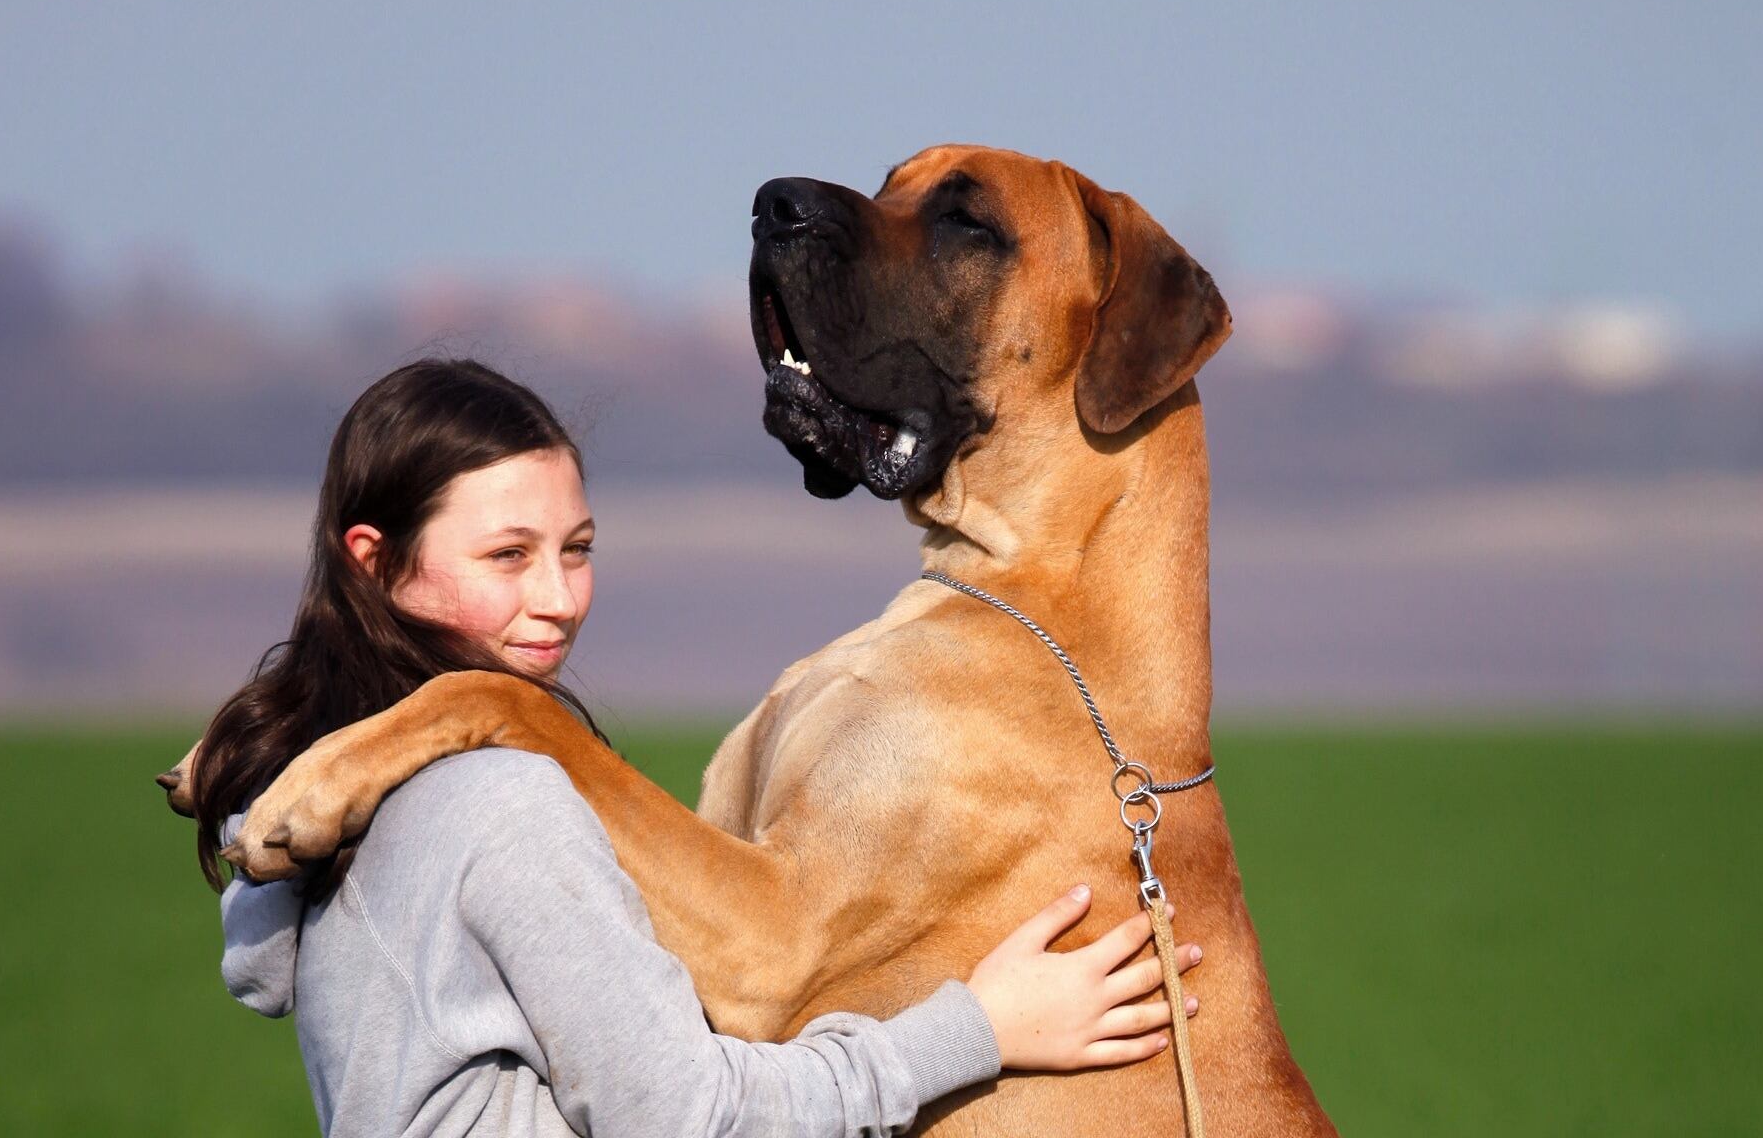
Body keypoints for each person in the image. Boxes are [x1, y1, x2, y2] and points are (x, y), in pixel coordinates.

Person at [186, 358, 1202, 1136]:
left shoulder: (337, 812)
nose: (557, 601)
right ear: (375, 563)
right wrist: (976, 1031)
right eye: (506, 556)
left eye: (576, 550)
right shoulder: (495, 803)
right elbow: (688, 1119)